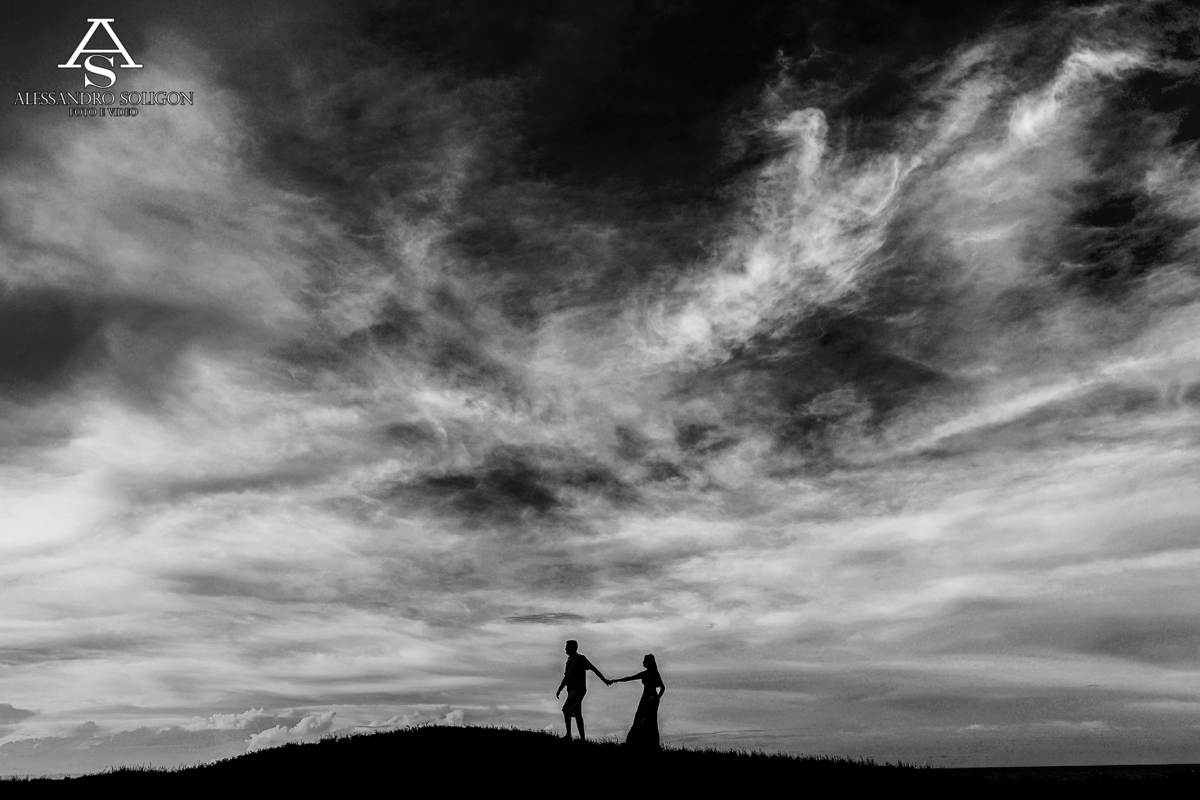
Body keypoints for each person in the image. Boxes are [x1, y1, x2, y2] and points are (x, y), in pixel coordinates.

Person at [555, 639, 611, 741]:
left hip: (578, 690)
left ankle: (568, 735)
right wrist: (559, 689)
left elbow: (594, 669)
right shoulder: (569, 661)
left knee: (566, 709)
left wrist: (604, 680)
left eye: (567, 647)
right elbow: (566, 677)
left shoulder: (581, 659)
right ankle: (583, 739)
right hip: (571, 690)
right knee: (577, 714)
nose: (565, 649)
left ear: (573, 648)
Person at [611, 654, 665, 750]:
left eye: (644, 660)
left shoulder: (655, 673)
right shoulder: (644, 674)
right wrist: (616, 680)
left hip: (651, 698)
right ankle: (633, 743)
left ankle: (650, 746)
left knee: (649, 720)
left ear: (649, 662)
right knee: (638, 719)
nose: (643, 662)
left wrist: (657, 699)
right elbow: (630, 678)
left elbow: (662, 687)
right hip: (644, 698)